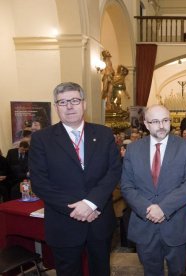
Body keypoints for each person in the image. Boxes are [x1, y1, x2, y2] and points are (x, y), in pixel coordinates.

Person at [29, 82, 122, 276]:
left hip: (99, 221)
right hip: (64, 223)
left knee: (101, 271)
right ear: (56, 107)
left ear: (84, 104)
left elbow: (114, 171)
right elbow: (39, 182)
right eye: (62, 102)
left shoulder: (104, 134)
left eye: (74, 100)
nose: (69, 106)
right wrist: (77, 208)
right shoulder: (41, 139)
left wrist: (91, 203)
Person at [120, 104, 186, 276]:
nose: (161, 126)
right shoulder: (133, 149)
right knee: (151, 272)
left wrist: (163, 208)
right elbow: (126, 185)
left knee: (177, 272)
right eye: (155, 121)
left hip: (176, 225)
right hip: (144, 224)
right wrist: (146, 209)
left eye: (165, 120)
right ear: (146, 125)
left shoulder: (185, 147)